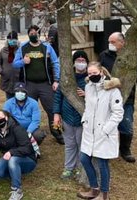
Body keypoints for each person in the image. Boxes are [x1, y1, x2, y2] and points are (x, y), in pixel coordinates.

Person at [99, 32, 137, 163]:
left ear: (122, 43)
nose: (110, 44)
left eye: (113, 42)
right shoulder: (103, 56)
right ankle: (107, 149)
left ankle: (125, 150)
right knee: (107, 125)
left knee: (126, 125)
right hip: (107, 98)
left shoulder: (132, 57)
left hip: (126, 97)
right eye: (109, 42)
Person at [77, 62, 123, 200]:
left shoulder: (113, 90)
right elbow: (88, 107)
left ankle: (104, 195)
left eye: (94, 73)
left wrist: (106, 129)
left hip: (104, 133)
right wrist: (84, 120)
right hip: (89, 131)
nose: (92, 76)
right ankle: (94, 189)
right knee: (84, 159)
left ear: (101, 73)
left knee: (103, 164)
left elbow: (118, 113)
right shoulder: (88, 87)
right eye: (89, 74)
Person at [13, 25, 64, 145]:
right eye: (30, 33)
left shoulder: (46, 47)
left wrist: (56, 80)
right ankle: (30, 134)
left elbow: (55, 63)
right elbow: (14, 64)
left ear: (38, 33)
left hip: (45, 84)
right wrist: (22, 62)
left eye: (34, 33)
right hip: (29, 84)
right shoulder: (23, 47)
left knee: (52, 109)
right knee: (28, 109)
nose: (32, 35)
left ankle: (56, 132)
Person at [53, 50, 89, 180]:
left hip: (82, 119)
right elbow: (58, 97)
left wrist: (87, 94)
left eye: (83, 61)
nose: (80, 63)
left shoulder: (90, 80)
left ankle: (80, 168)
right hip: (67, 117)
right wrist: (56, 114)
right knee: (69, 144)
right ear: (73, 63)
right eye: (78, 61)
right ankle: (69, 168)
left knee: (81, 144)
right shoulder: (67, 78)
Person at [0, 110, 38, 200]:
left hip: (27, 159)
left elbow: (27, 148)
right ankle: (15, 172)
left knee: (13, 160)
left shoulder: (17, 128)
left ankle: (17, 190)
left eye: (0, 117)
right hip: (9, 157)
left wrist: (11, 152)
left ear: (6, 117)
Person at [2, 82, 45, 149]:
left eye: (22, 91)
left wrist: (28, 132)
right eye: (17, 91)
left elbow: (35, 121)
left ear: (26, 93)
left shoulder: (34, 103)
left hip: (30, 128)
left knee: (38, 135)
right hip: (14, 128)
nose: (20, 93)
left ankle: (32, 148)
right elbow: (5, 118)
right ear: (14, 92)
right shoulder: (8, 103)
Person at [0, 31, 21, 99]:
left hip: (18, 79)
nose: (11, 41)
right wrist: (0, 70)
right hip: (7, 79)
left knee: (19, 99)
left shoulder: (21, 50)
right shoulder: (3, 50)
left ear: (17, 40)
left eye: (13, 39)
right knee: (9, 100)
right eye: (10, 39)